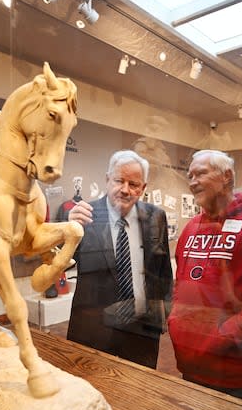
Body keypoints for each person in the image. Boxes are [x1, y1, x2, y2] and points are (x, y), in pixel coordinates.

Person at [168, 149, 242, 406]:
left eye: (201, 173)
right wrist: (175, 321)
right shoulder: (190, 228)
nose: (192, 181)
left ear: (227, 176)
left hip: (235, 371)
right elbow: (181, 284)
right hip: (190, 363)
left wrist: (224, 336)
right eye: (189, 175)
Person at [63, 150, 172, 368]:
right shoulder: (85, 215)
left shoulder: (155, 216)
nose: (125, 190)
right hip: (95, 329)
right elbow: (59, 260)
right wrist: (66, 230)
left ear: (143, 188)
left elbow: (163, 270)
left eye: (133, 184)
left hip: (142, 331)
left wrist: (163, 313)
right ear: (107, 180)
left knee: (138, 392)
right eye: (119, 181)